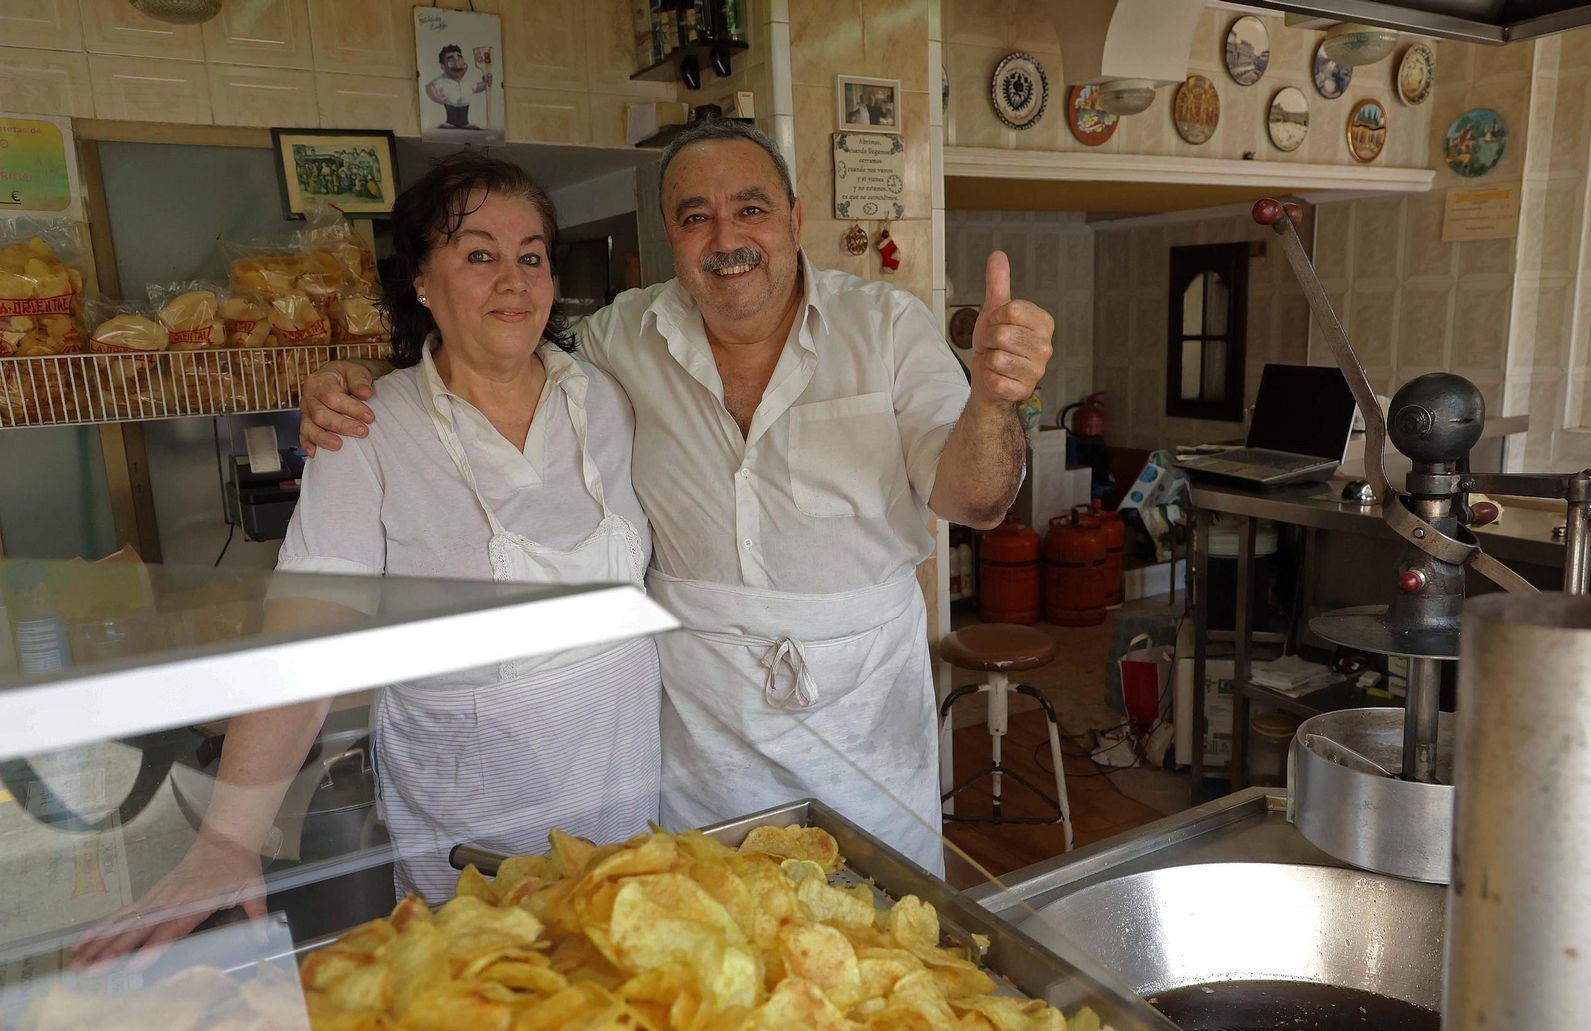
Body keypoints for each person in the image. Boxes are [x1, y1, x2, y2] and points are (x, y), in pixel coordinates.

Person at [298, 120, 1053, 872]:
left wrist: (994, 400)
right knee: (704, 930)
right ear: (670, 236)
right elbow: (497, 346)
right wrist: (369, 377)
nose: (726, 238)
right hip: (704, 751)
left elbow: (976, 503)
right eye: (696, 217)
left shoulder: (887, 328)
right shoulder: (621, 337)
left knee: (878, 921)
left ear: (794, 219)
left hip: (868, 732)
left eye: (751, 208)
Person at [71, 155, 658, 965]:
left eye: (532, 256)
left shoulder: (607, 398)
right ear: (421, 280)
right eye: (479, 254)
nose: (514, 280)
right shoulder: (369, 429)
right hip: (477, 839)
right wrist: (229, 838)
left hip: (626, 814)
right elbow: (308, 633)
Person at [426, 43, 491, 130]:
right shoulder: (442, 80)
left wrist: (486, 83)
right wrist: (437, 97)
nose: (457, 63)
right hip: (450, 107)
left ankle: (464, 123)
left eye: (460, 59)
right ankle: (450, 123)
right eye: (451, 60)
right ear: (443, 67)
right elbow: (429, 87)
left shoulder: (467, 80)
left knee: (464, 116)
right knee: (451, 116)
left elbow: (477, 87)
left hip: (464, 107)